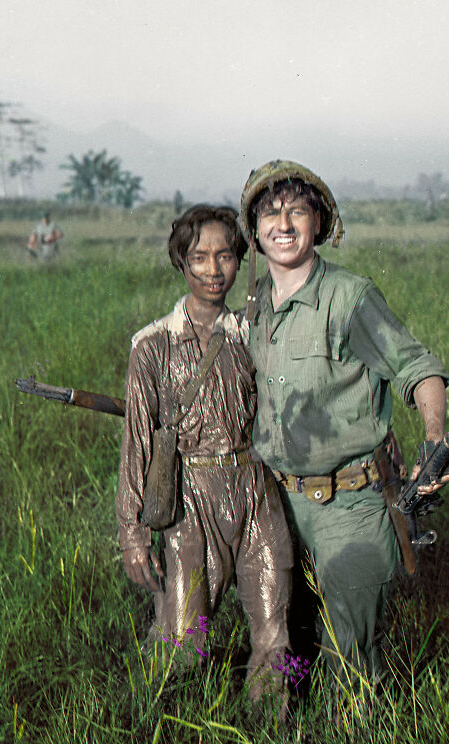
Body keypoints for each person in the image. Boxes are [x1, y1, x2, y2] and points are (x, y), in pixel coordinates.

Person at [237, 160, 449, 681]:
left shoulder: (350, 297)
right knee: (286, 644)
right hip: (274, 504)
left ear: (320, 223)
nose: (283, 224)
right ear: (256, 229)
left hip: (349, 505)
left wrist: (434, 440)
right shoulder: (254, 306)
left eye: (297, 211)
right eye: (270, 213)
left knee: (352, 658)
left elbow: (418, 369)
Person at [116, 204, 293, 703]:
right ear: (182, 261)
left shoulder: (255, 335)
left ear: (240, 260)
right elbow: (137, 445)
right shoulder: (153, 346)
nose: (214, 271)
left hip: (256, 491)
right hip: (189, 500)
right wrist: (133, 534)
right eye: (200, 258)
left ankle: (272, 741)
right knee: (183, 640)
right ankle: (162, 738)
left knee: (273, 629)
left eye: (225, 257)